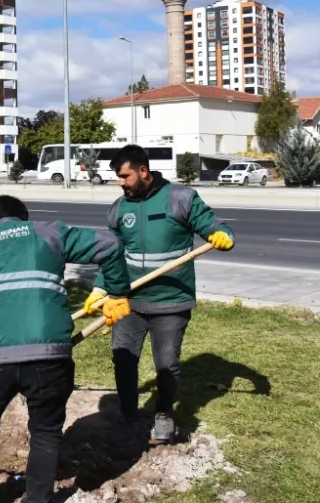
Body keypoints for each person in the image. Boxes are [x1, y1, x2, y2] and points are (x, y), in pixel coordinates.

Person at [0, 195, 131, 503]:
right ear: (24, 219)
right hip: (49, 356)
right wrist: (117, 292)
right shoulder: (49, 233)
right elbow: (110, 244)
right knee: (45, 433)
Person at [83, 144, 235, 445]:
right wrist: (101, 289)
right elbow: (113, 256)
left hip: (171, 301)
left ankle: (164, 413)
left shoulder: (180, 199)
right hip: (127, 301)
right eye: (117, 177)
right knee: (123, 361)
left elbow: (210, 223)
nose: (120, 182)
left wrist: (222, 233)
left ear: (143, 171)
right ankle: (129, 414)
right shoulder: (118, 209)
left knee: (166, 364)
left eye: (125, 176)